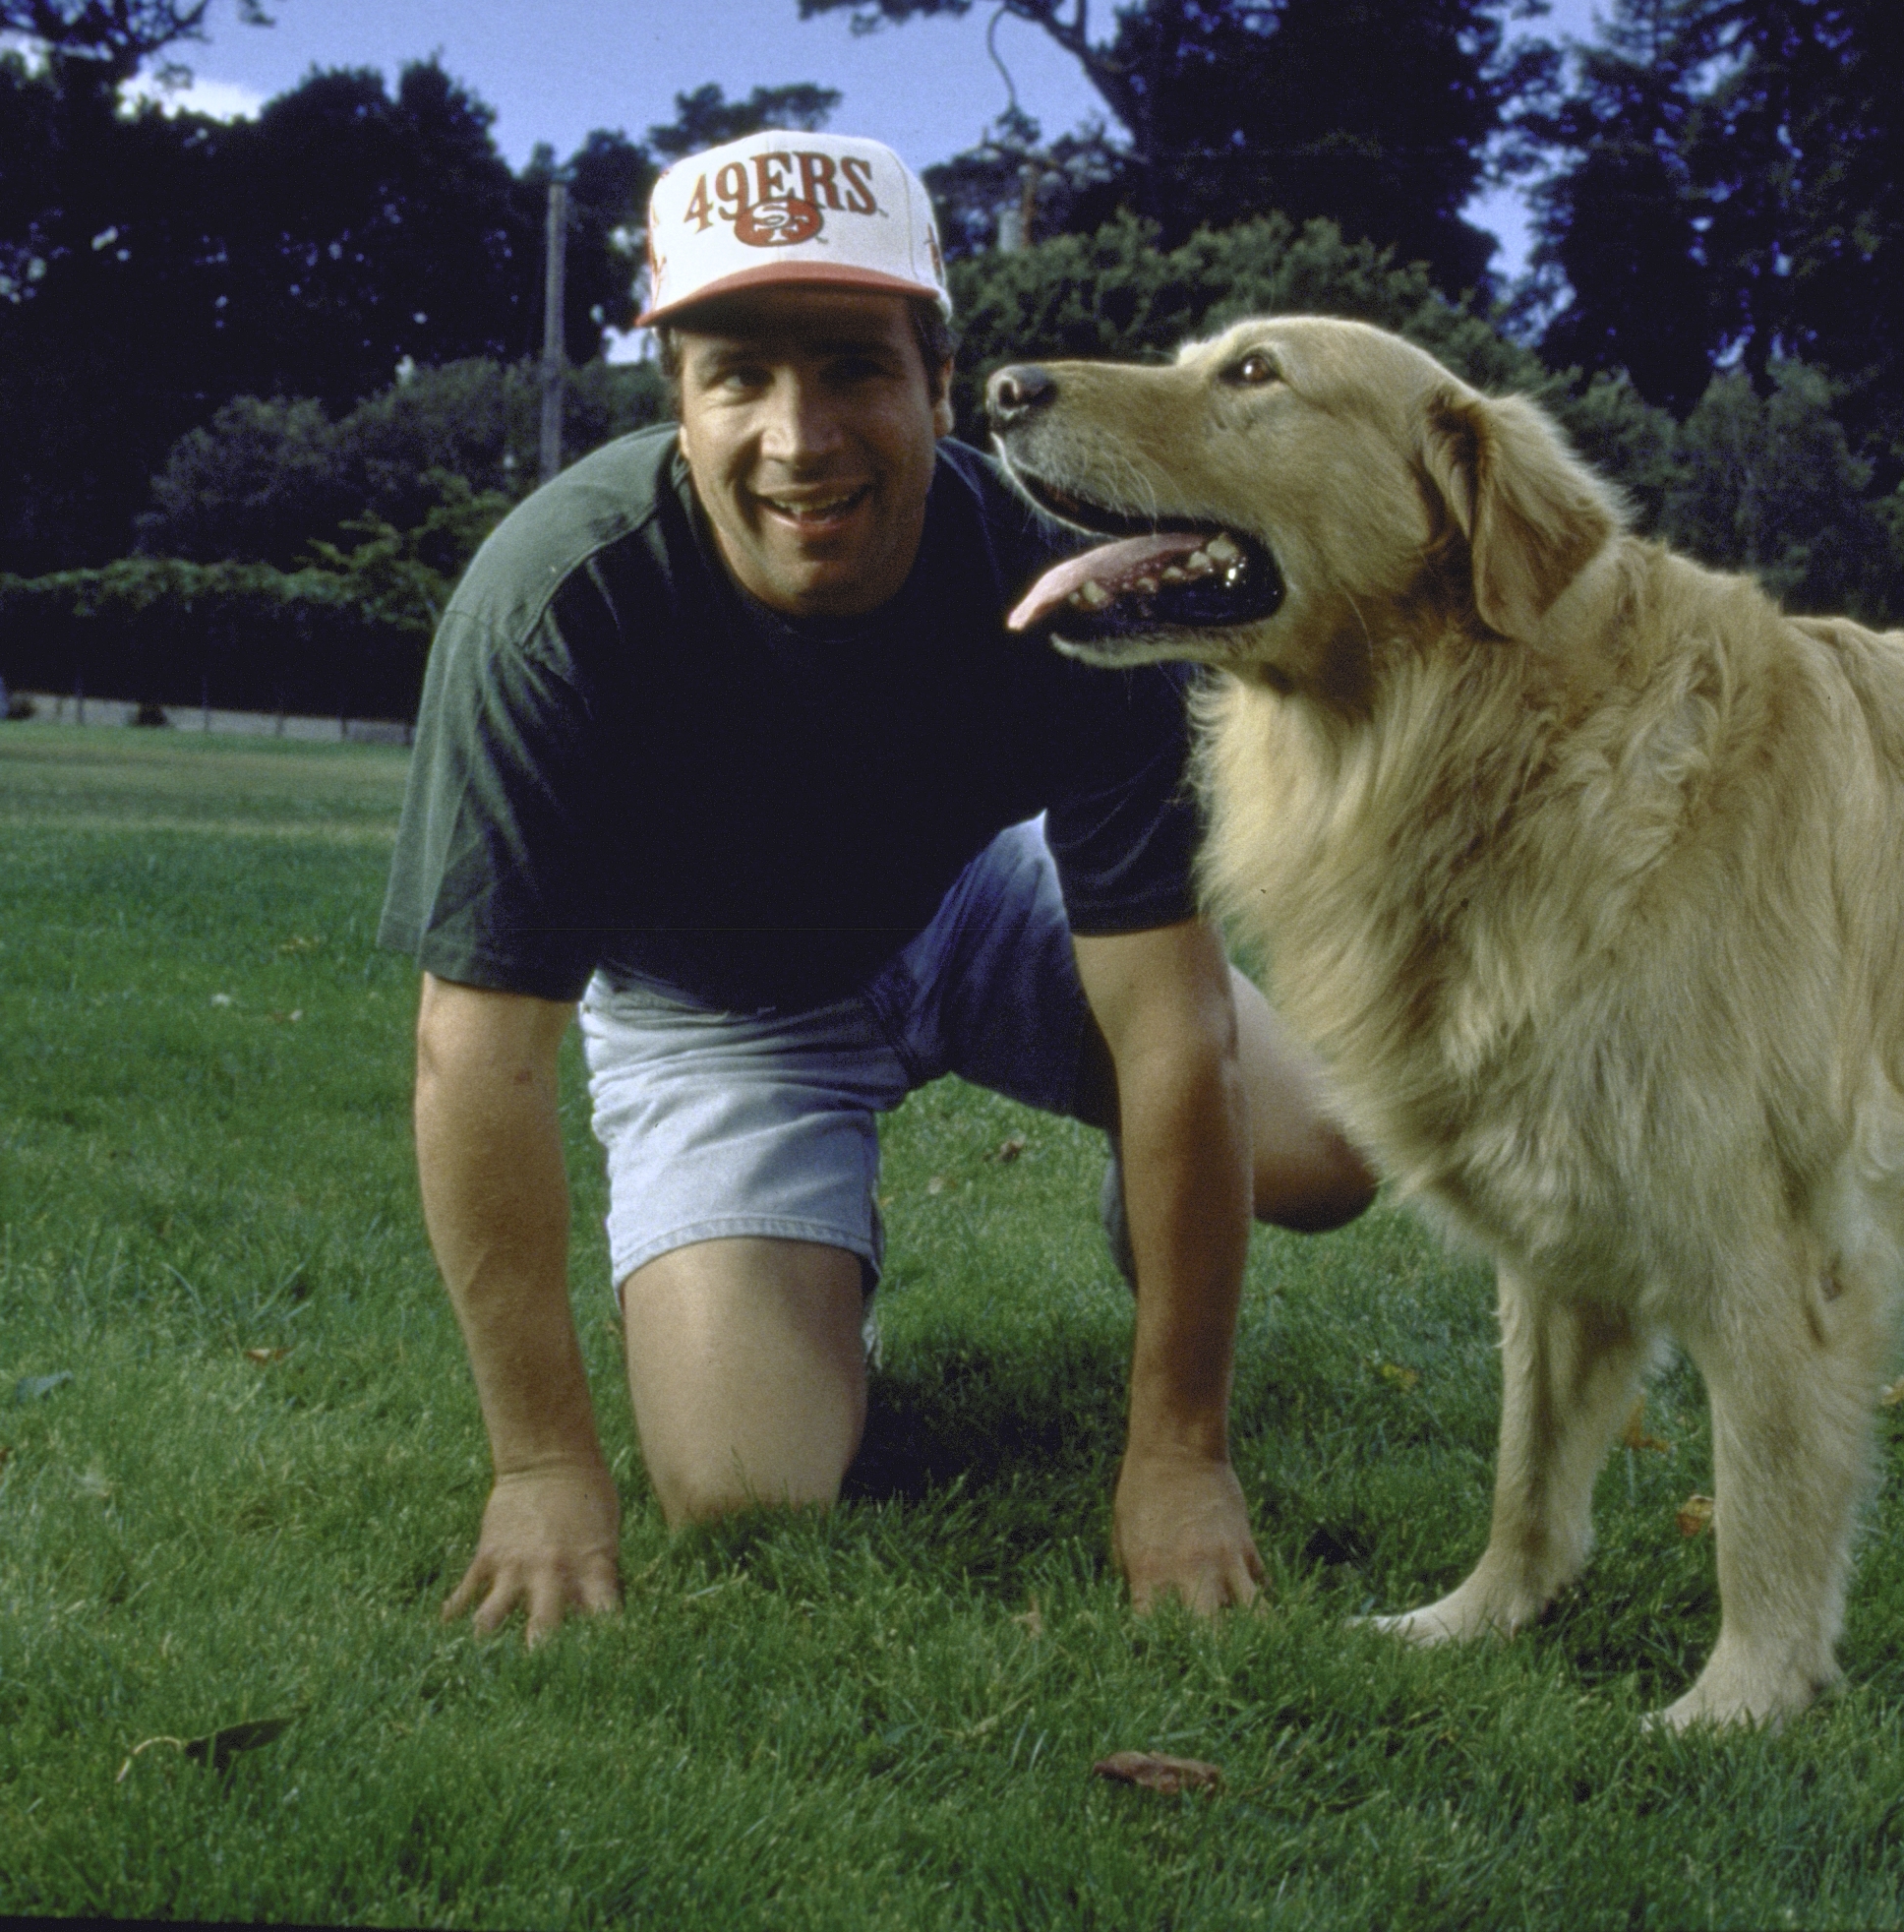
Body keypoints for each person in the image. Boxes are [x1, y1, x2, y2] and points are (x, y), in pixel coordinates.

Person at [380, 130, 1374, 1646]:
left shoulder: (1068, 577)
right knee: (744, 1485)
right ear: (679, 399)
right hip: (719, 1011)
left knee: (1328, 1149)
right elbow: (476, 1055)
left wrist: (1178, 1451)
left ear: (934, 375)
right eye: (739, 376)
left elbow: (1173, 1026)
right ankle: (810, 1287)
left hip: (972, 905)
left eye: (851, 367)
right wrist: (541, 1466)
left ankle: (1161, 1216)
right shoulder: (557, 607)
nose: (799, 436)